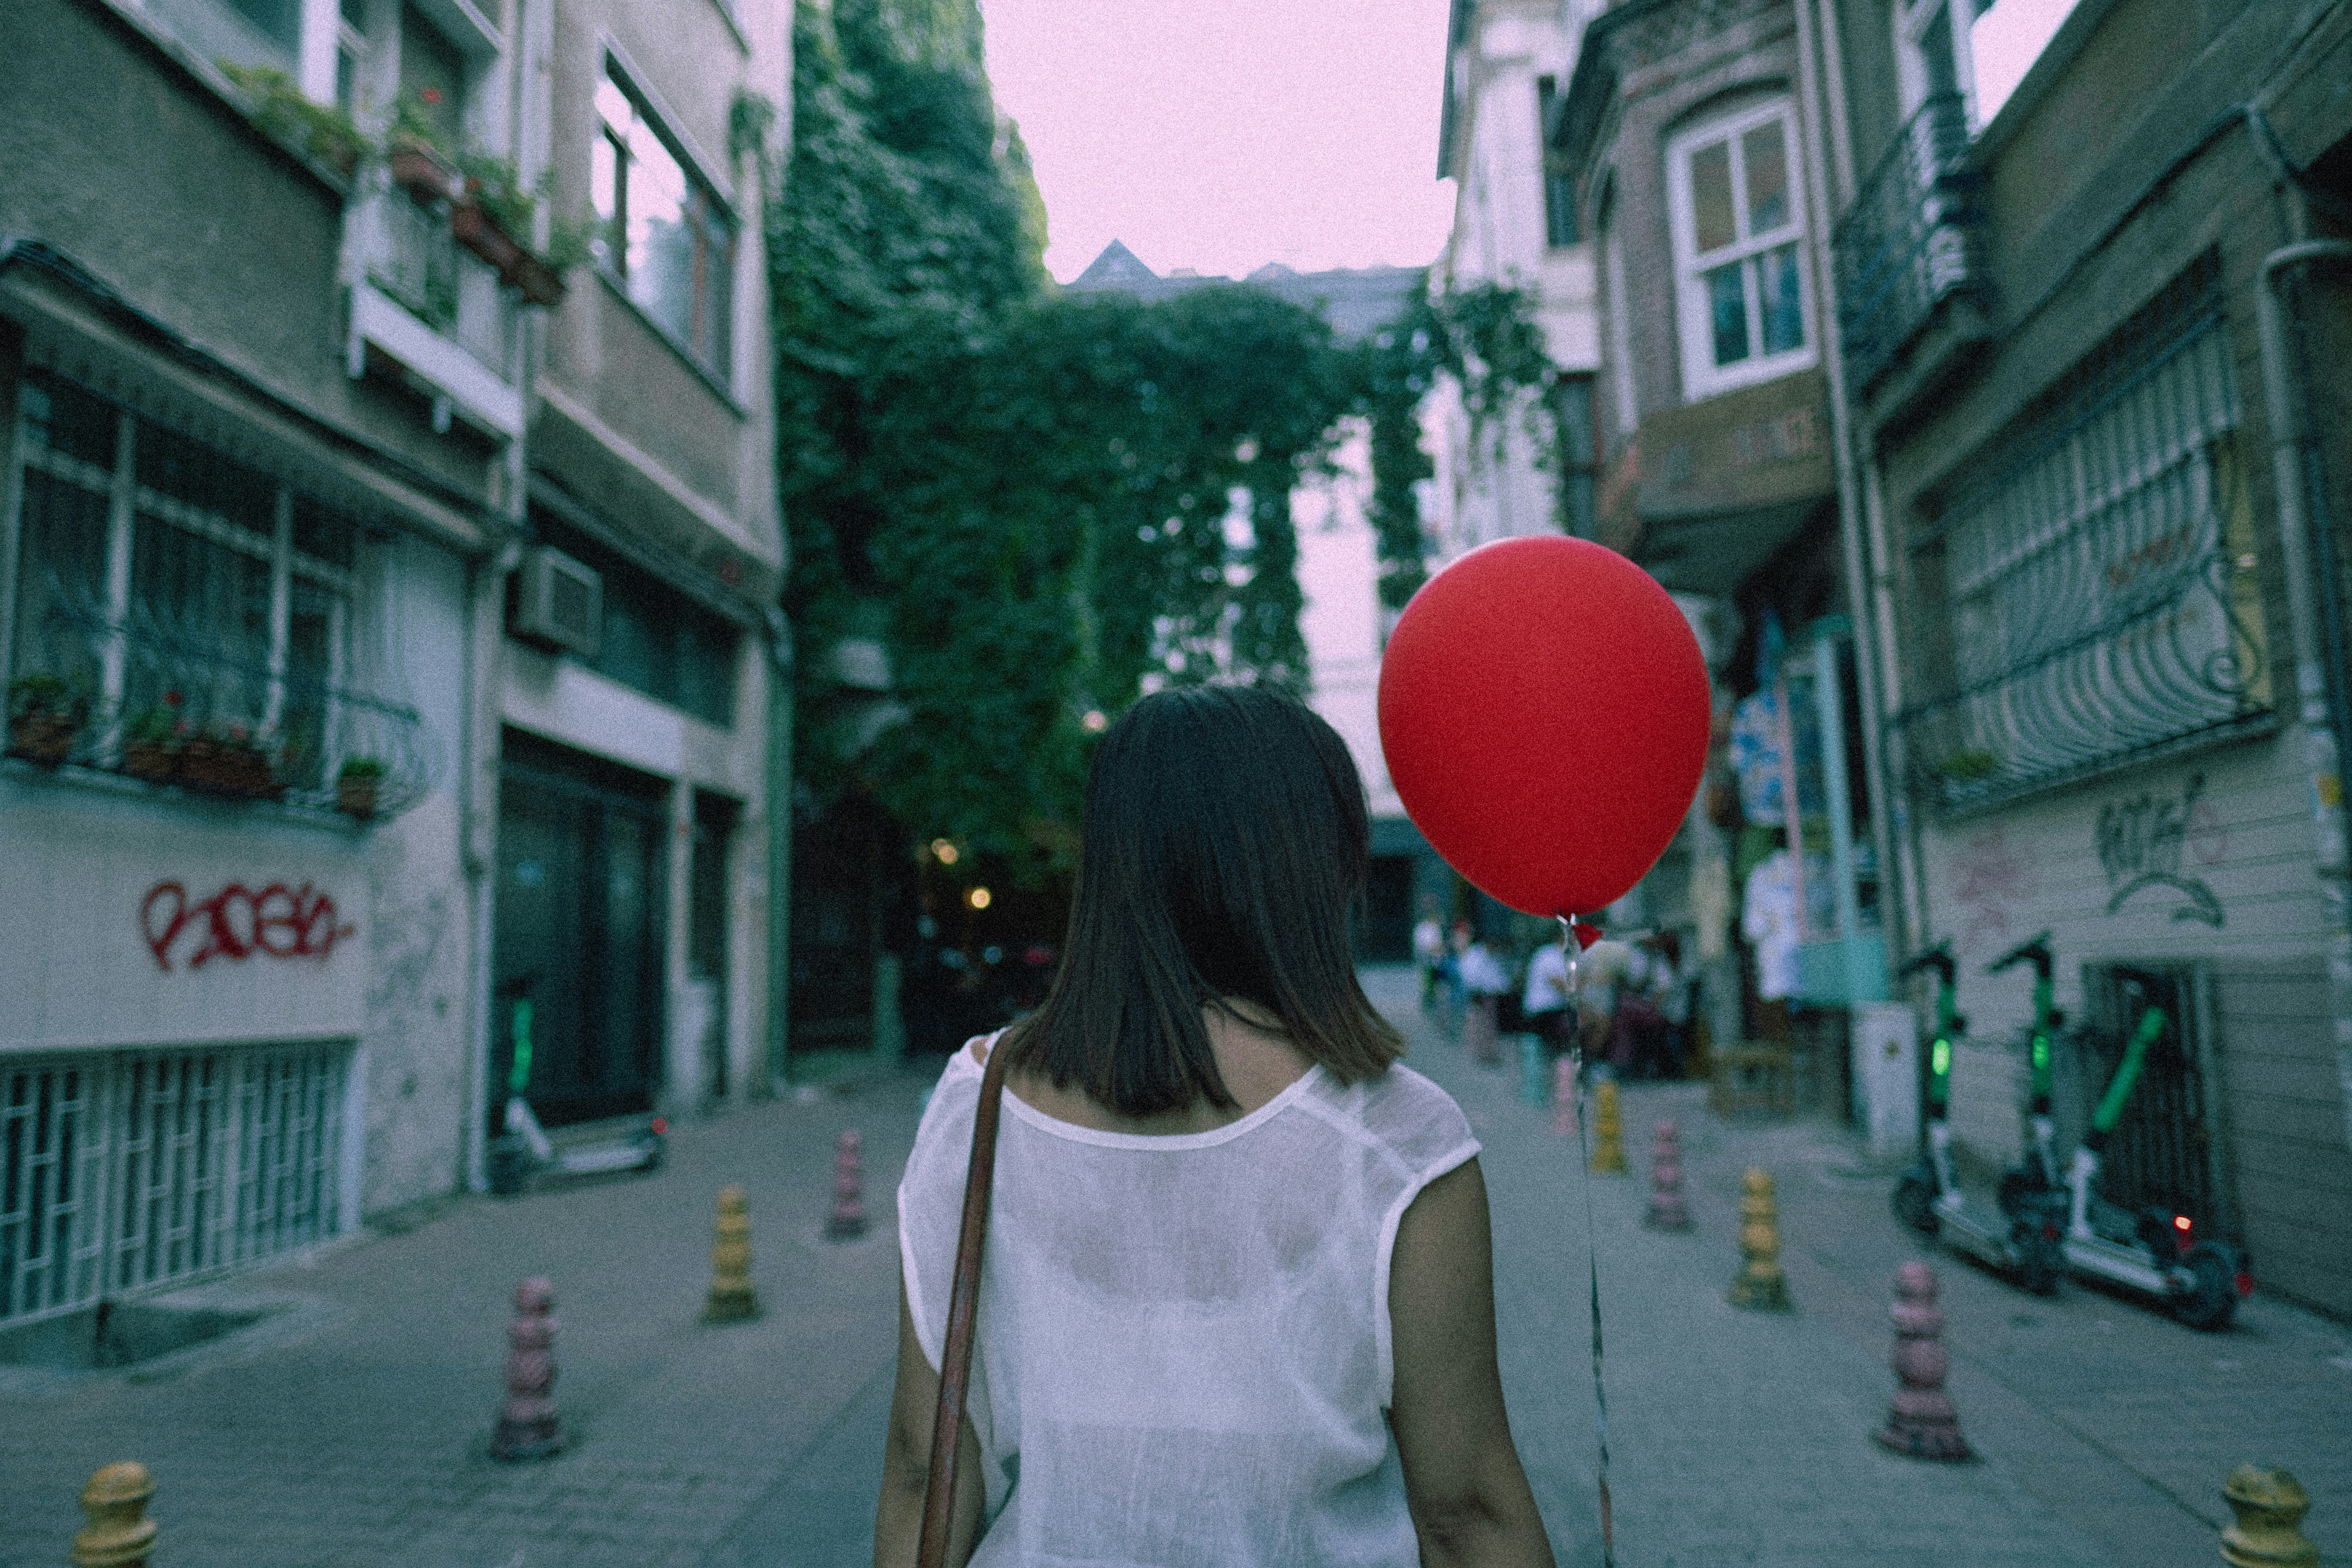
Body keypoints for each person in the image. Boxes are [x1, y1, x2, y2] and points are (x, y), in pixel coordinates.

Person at [877, 686, 1554, 1568]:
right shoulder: (1400, 1138)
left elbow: (924, 1464)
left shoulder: (977, 1102)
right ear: (1319, 869)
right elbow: (1464, 1508)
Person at [1456, 930, 1510, 1067]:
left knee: (1490, 1025)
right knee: (1476, 1023)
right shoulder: (1475, 955)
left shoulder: (1489, 957)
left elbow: (1497, 977)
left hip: (1490, 995)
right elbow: (1471, 976)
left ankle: (1488, 1053)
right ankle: (1477, 1052)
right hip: (1478, 994)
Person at [1521, 936, 1574, 1060]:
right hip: (1543, 1011)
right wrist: (1589, 982)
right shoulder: (1548, 955)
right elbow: (1561, 986)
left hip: (1552, 1010)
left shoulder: (1561, 954)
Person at [1412, 902, 1446, 1014]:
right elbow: (1425, 947)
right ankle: (1427, 1008)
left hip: (1438, 963)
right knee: (1427, 986)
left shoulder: (1437, 928)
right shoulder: (1422, 929)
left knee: (1438, 987)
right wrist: (1437, 947)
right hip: (1427, 964)